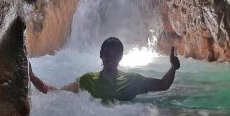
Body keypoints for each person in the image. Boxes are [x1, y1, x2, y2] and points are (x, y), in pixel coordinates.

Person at [29, 37, 180, 101]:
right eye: (107, 54)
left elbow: (163, 85)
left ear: (121, 57)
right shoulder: (87, 80)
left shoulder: (133, 80)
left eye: (115, 55)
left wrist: (173, 68)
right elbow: (55, 92)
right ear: (101, 55)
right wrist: (32, 76)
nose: (110, 58)